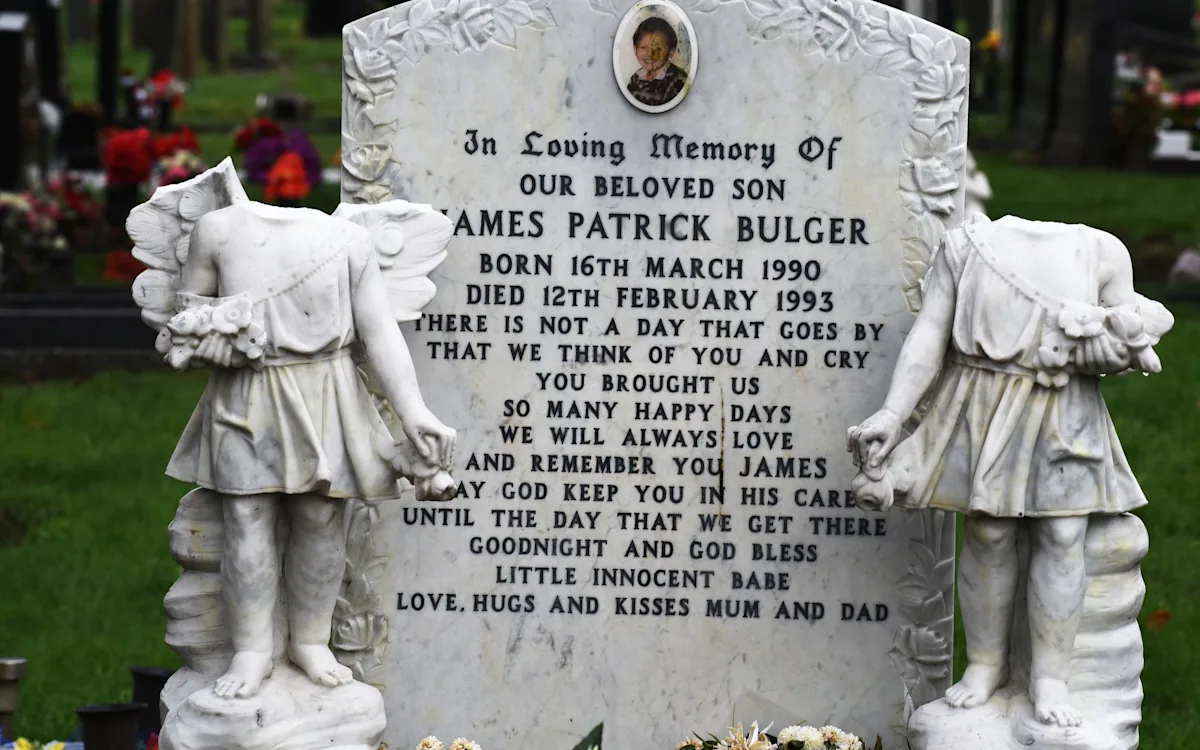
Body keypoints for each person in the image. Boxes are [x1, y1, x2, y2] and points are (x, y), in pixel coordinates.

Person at [848, 215, 1172, 728]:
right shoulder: (964, 246)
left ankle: (1050, 678)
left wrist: (1108, 349)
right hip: (981, 402)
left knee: (1064, 534)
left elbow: (1130, 343)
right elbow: (929, 336)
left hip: (1062, 408)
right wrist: (892, 413)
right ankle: (984, 665)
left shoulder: (1102, 251)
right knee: (989, 531)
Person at [162, 200, 456, 699]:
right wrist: (207, 341)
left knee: (321, 516)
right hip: (247, 392)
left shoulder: (348, 241)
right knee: (246, 516)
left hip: (327, 387)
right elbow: (185, 323)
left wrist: (414, 412)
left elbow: (379, 329)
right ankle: (253, 649)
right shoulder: (215, 230)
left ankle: (310, 641)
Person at [626, 16, 688, 107]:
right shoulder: (635, 78)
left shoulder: (678, 80)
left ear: (671, 52)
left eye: (657, 48)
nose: (650, 54)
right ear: (635, 49)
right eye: (643, 47)